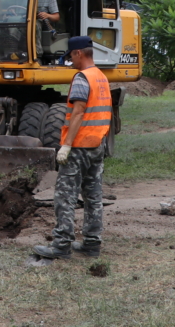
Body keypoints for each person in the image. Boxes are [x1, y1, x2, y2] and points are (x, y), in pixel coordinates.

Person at [33, 35, 112, 259]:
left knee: (65, 195)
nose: (71, 62)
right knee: (93, 195)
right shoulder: (101, 77)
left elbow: (78, 112)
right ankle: (91, 244)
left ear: (78, 53)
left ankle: (61, 245)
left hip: (79, 146)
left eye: (71, 57)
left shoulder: (82, 78)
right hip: (97, 144)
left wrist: (66, 146)